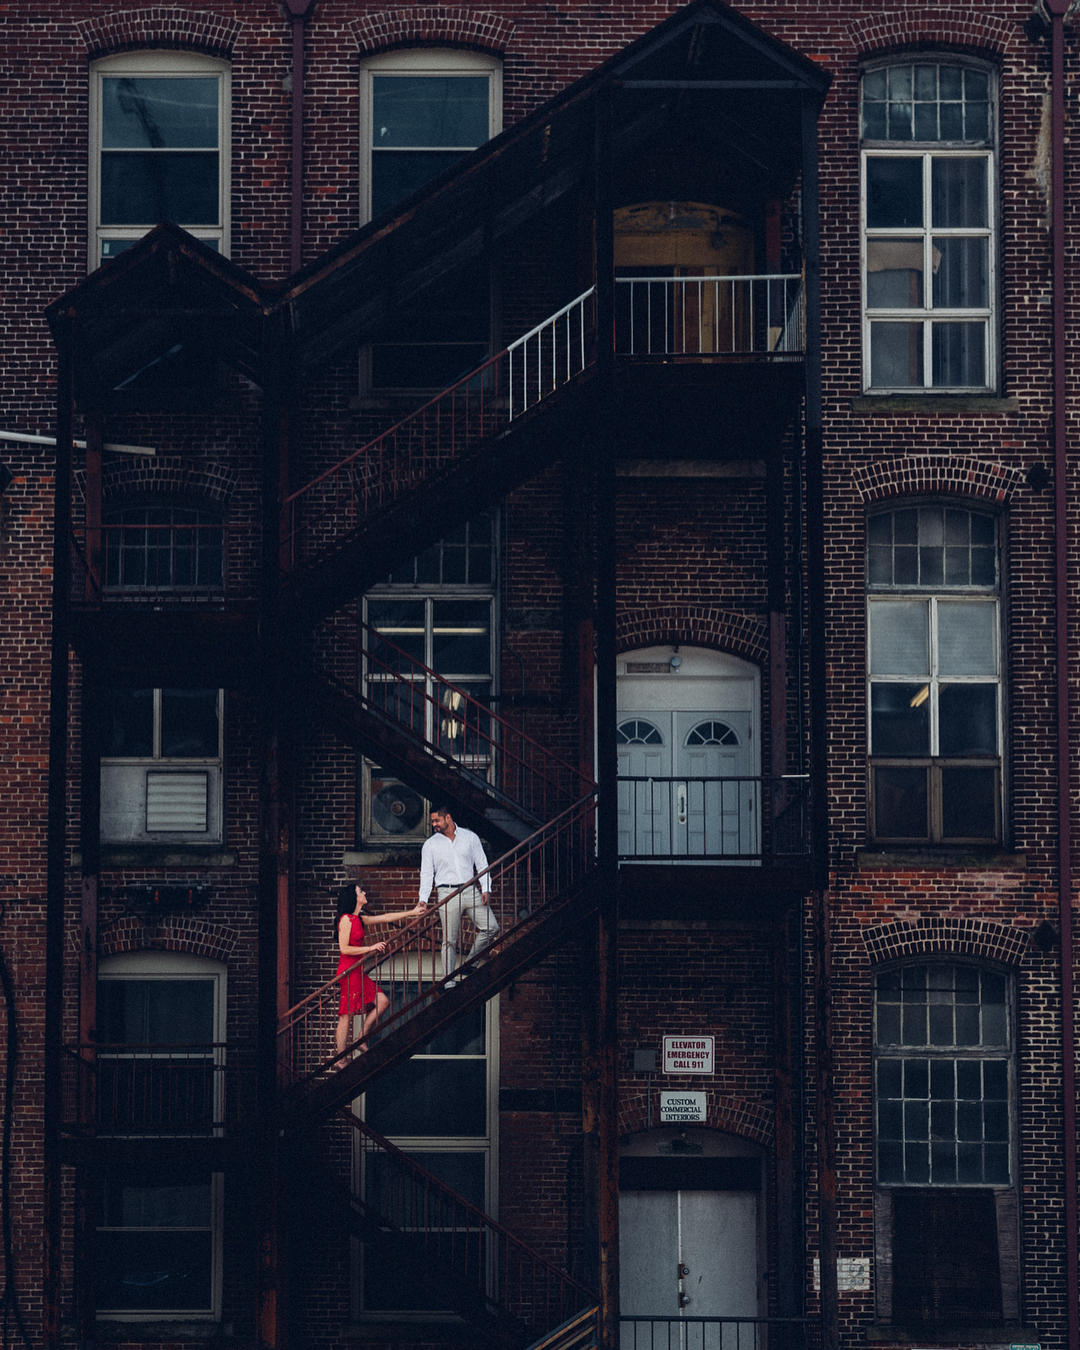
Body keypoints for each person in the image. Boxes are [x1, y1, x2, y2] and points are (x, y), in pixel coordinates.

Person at [334, 882, 425, 1058]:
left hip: (357, 971)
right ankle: (340, 1057)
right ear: (354, 897)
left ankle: (360, 1038)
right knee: (346, 1015)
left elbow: (386, 917)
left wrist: (412, 912)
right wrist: (370, 948)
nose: (364, 892)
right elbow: (344, 949)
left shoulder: (359, 919)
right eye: (361, 891)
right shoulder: (345, 919)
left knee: (382, 1001)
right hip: (348, 970)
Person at [418, 804, 499, 986]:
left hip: (470, 889)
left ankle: (471, 962)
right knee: (449, 940)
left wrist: (486, 888)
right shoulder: (430, 845)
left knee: (491, 927)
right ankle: (448, 981)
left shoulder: (470, 837)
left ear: (448, 818)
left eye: (436, 820)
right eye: (432, 821)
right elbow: (426, 874)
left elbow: (482, 863)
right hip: (447, 892)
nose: (434, 824)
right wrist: (423, 899)